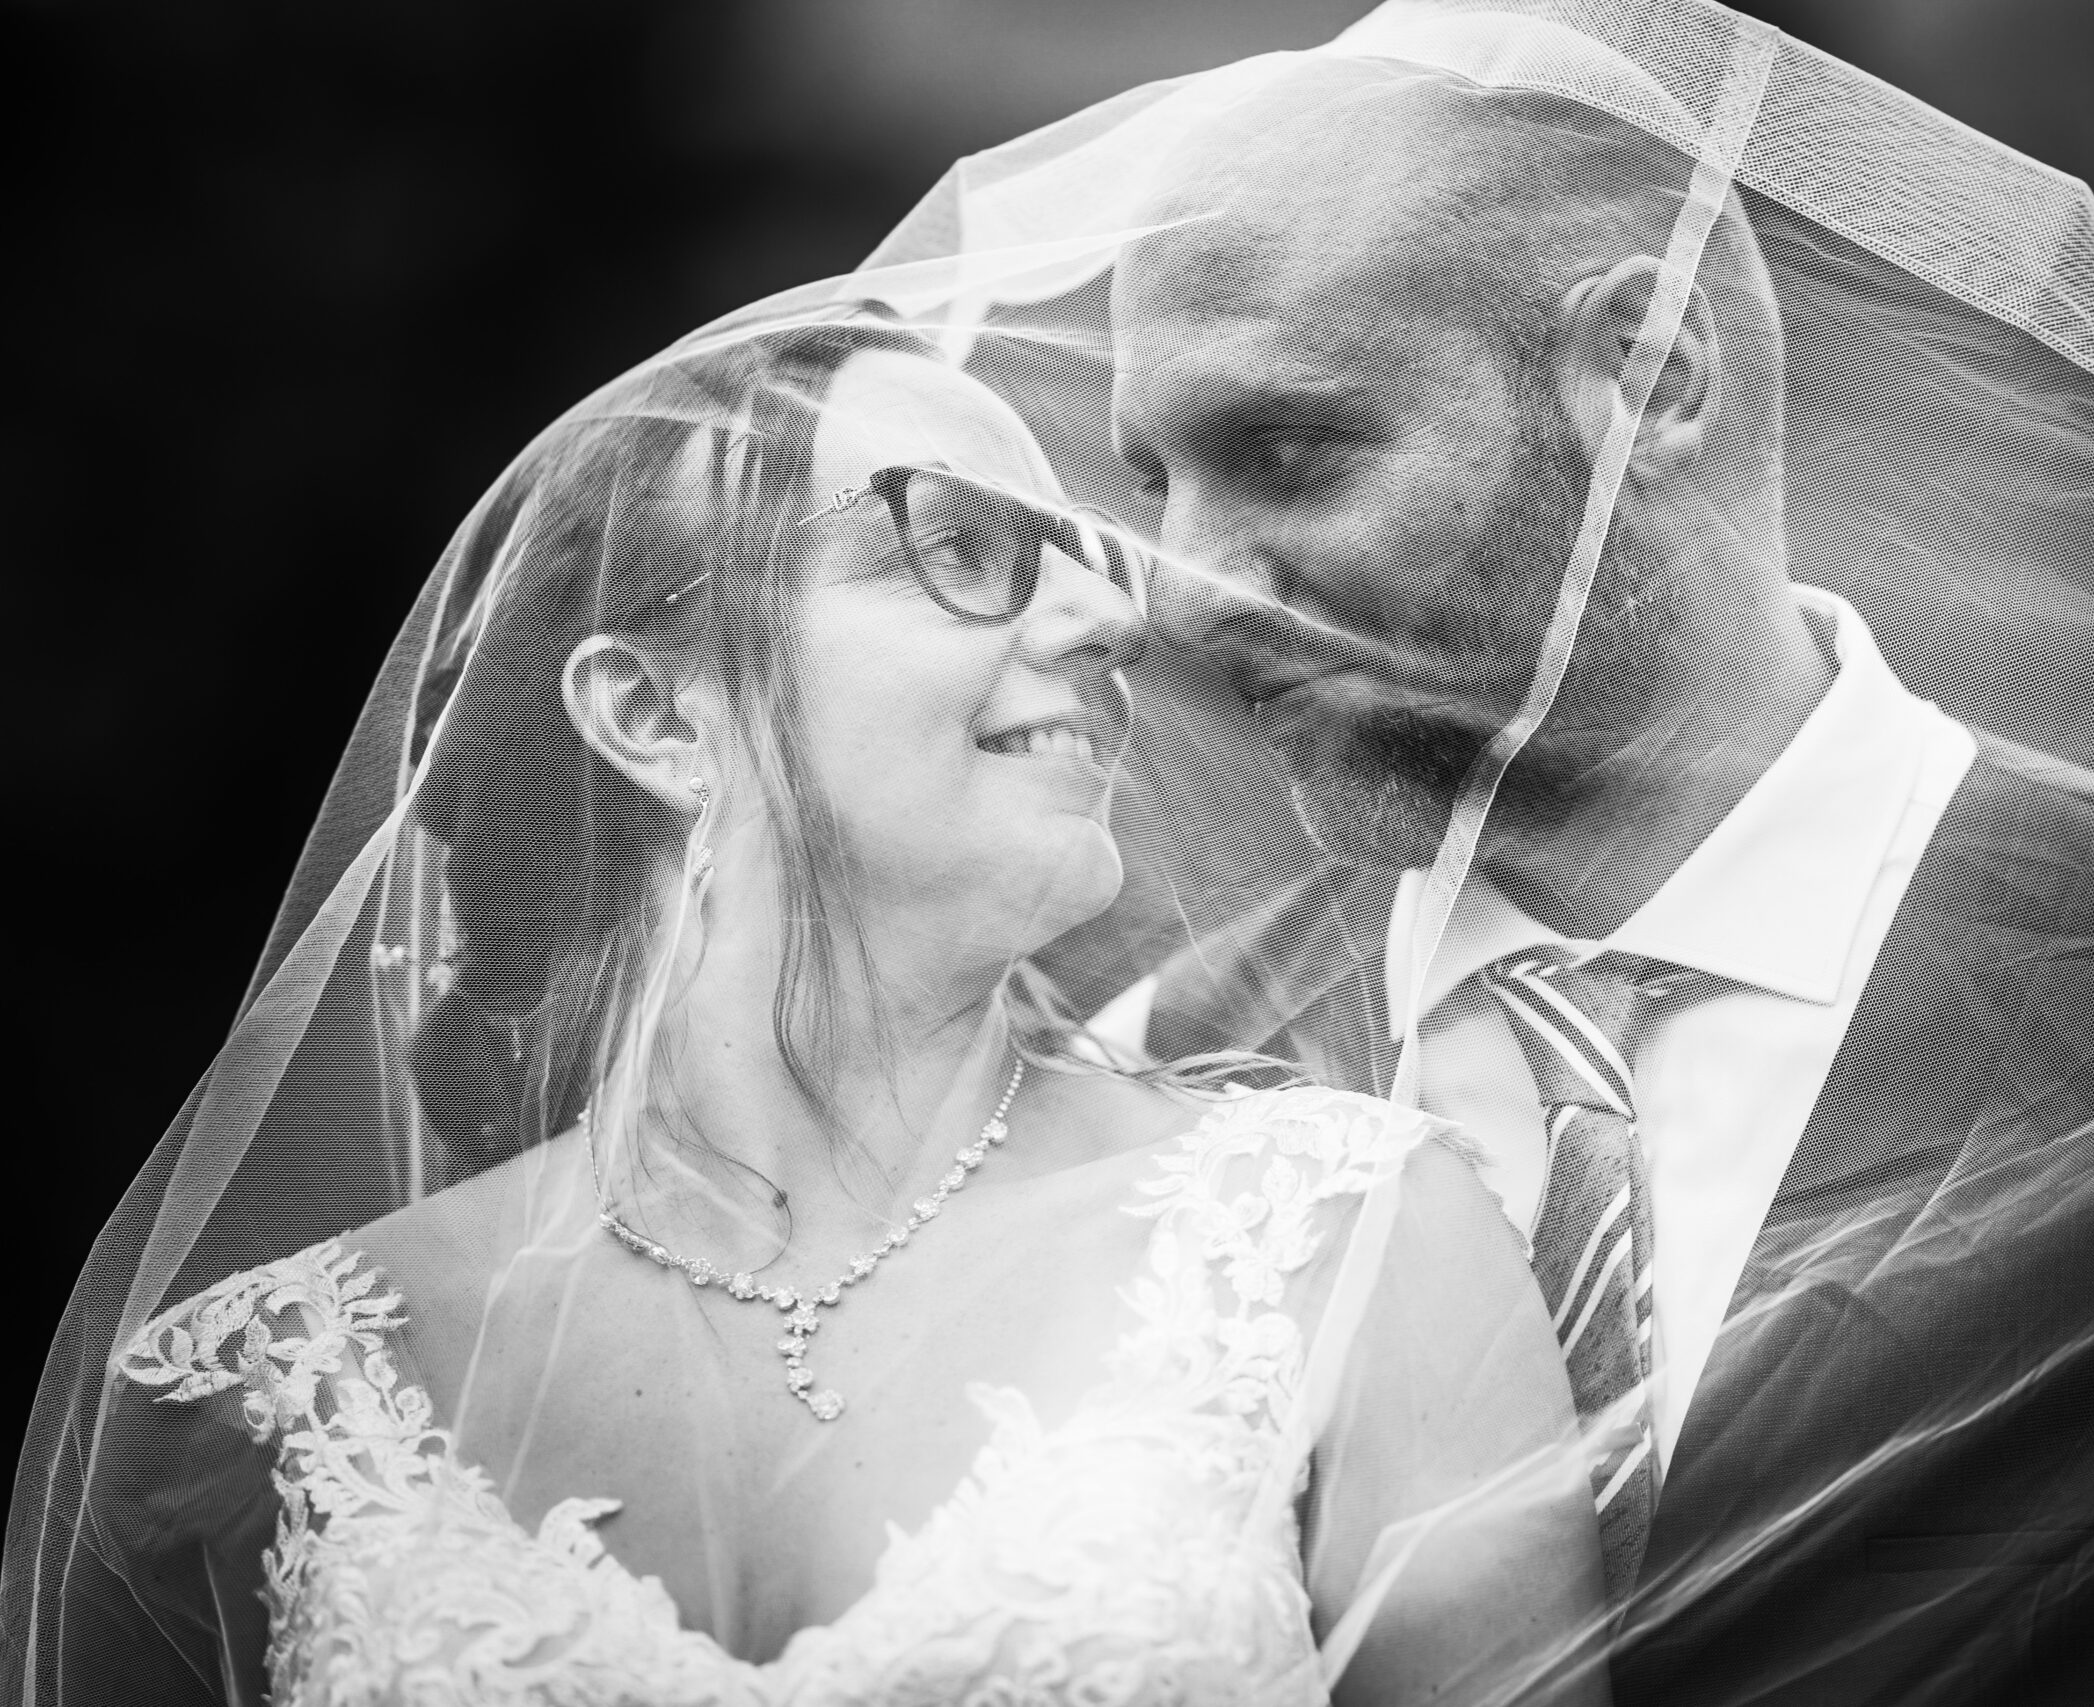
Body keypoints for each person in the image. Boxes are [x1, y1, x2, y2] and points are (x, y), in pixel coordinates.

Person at [1087, 32, 2094, 1707]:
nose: (1182, 591)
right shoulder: (1162, 1079)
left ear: (1651, 375)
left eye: (1289, 453)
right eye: (1153, 482)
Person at [7, 315, 1607, 1704]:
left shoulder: (1347, 1246)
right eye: (957, 548)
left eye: (1082, 553)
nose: (1116, 618)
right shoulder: (263, 1397)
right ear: (654, 714)